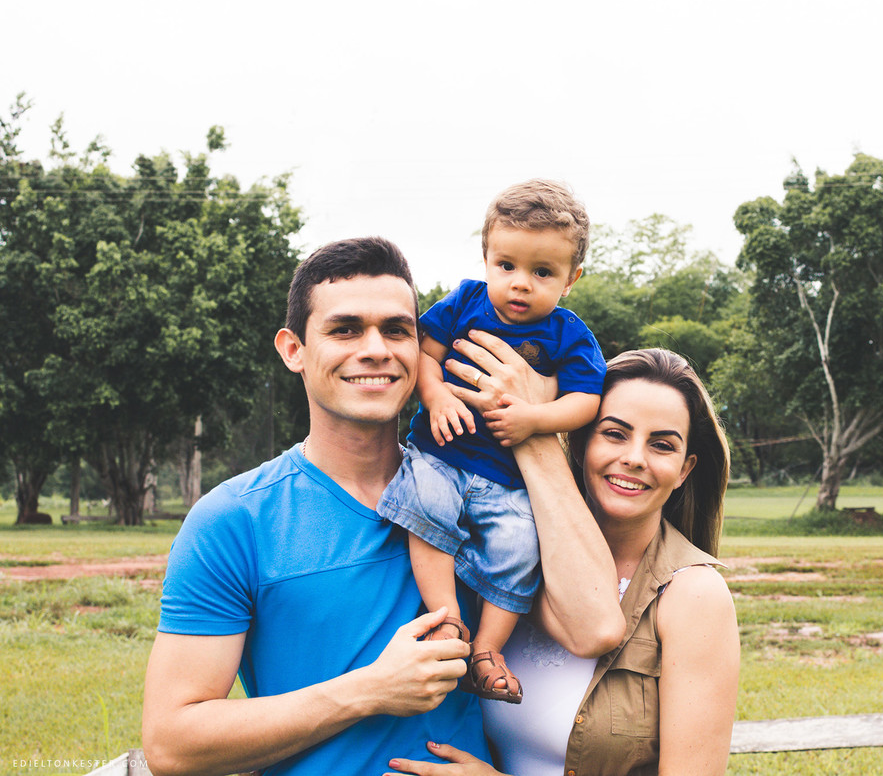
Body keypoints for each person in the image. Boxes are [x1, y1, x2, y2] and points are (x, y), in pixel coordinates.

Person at [141, 237, 623, 776]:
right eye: (345, 329)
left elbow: (597, 626)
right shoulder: (233, 520)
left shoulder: (492, 504)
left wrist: (528, 420)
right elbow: (172, 744)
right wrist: (370, 690)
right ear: (292, 349)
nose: (376, 349)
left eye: (397, 330)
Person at [388, 344, 740, 776]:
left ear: (684, 470)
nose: (634, 458)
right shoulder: (512, 552)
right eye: (614, 433)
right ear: (578, 442)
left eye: (662, 445)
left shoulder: (693, 596)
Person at [376, 179, 606, 704]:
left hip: (507, 479)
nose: (520, 284)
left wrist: (533, 417)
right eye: (507, 266)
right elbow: (425, 355)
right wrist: (434, 397)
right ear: (486, 259)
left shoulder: (571, 335)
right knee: (427, 508)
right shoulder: (463, 302)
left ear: (571, 279)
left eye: (542, 272)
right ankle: (447, 619)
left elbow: (586, 401)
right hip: (443, 452)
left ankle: (487, 650)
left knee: (522, 548)